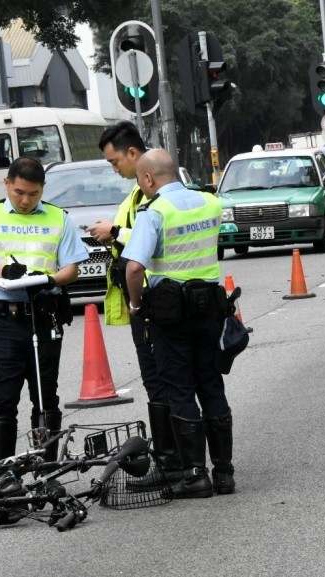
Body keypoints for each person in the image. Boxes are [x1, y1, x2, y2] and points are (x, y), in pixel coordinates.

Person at [0, 156, 88, 521]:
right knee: (3, 402)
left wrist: (52, 280)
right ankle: (4, 483)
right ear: (6, 184)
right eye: (19, 192)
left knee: (46, 398)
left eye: (33, 194)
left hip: (44, 314)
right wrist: (3, 269)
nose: (26, 200)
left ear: (42, 190)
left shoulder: (58, 218)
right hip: (4, 318)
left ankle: (46, 475)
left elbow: (72, 268)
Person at [122, 149, 233, 499]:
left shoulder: (154, 212)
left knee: (180, 389)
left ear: (148, 179)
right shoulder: (209, 203)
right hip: (210, 309)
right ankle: (224, 473)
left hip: (171, 315)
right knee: (211, 385)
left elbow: (135, 268)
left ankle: (194, 475)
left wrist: (136, 304)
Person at [82, 123, 183, 486]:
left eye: (114, 161)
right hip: (154, 302)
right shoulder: (135, 197)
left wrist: (115, 233)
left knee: (163, 382)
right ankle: (180, 463)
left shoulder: (159, 193)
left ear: (132, 154)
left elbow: (150, 243)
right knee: (163, 382)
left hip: (157, 302)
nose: (114, 169)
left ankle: (174, 466)